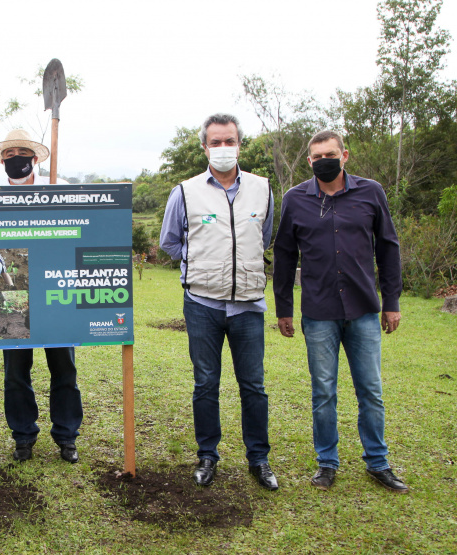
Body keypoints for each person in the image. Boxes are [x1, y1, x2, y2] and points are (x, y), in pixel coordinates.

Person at [273, 130, 407, 493]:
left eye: (330, 154)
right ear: (309, 161)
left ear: (344, 155)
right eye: (317, 157)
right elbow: (284, 255)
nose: (324, 161)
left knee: (371, 390)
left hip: (364, 308)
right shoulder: (295, 199)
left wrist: (391, 302)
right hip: (318, 312)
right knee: (324, 392)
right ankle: (326, 462)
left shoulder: (371, 192)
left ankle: (378, 462)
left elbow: (388, 247)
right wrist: (284, 307)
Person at [158, 113, 278, 490]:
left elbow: (266, 235)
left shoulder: (262, 188)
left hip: (248, 305)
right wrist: (203, 265)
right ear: (204, 147)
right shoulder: (186, 190)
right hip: (202, 304)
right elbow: (170, 242)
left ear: (239, 144)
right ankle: (207, 456)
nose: (223, 148)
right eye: (216, 142)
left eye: (230, 141)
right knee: (206, 383)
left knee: (253, 386)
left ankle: (259, 459)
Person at [0, 129, 82, 464]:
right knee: (15, 372)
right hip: (12, 294)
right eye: (8, 155)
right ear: (2, 161)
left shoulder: (60, 189)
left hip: (56, 293)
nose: (15, 160)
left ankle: (67, 437)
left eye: (21, 153)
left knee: (64, 369)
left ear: (36, 158)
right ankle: (23, 437)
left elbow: (79, 232)